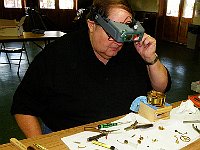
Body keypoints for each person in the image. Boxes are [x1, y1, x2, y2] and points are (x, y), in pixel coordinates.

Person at [11, 0, 171, 138]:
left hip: (124, 134)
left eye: (125, 33)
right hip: (68, 137)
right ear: (92, 25)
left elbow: (161, 88)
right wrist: (39, 143)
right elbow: (23, 106)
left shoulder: (132, 49)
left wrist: (150, 59)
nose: (118, 42)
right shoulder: (57, 54)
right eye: (111, 33)